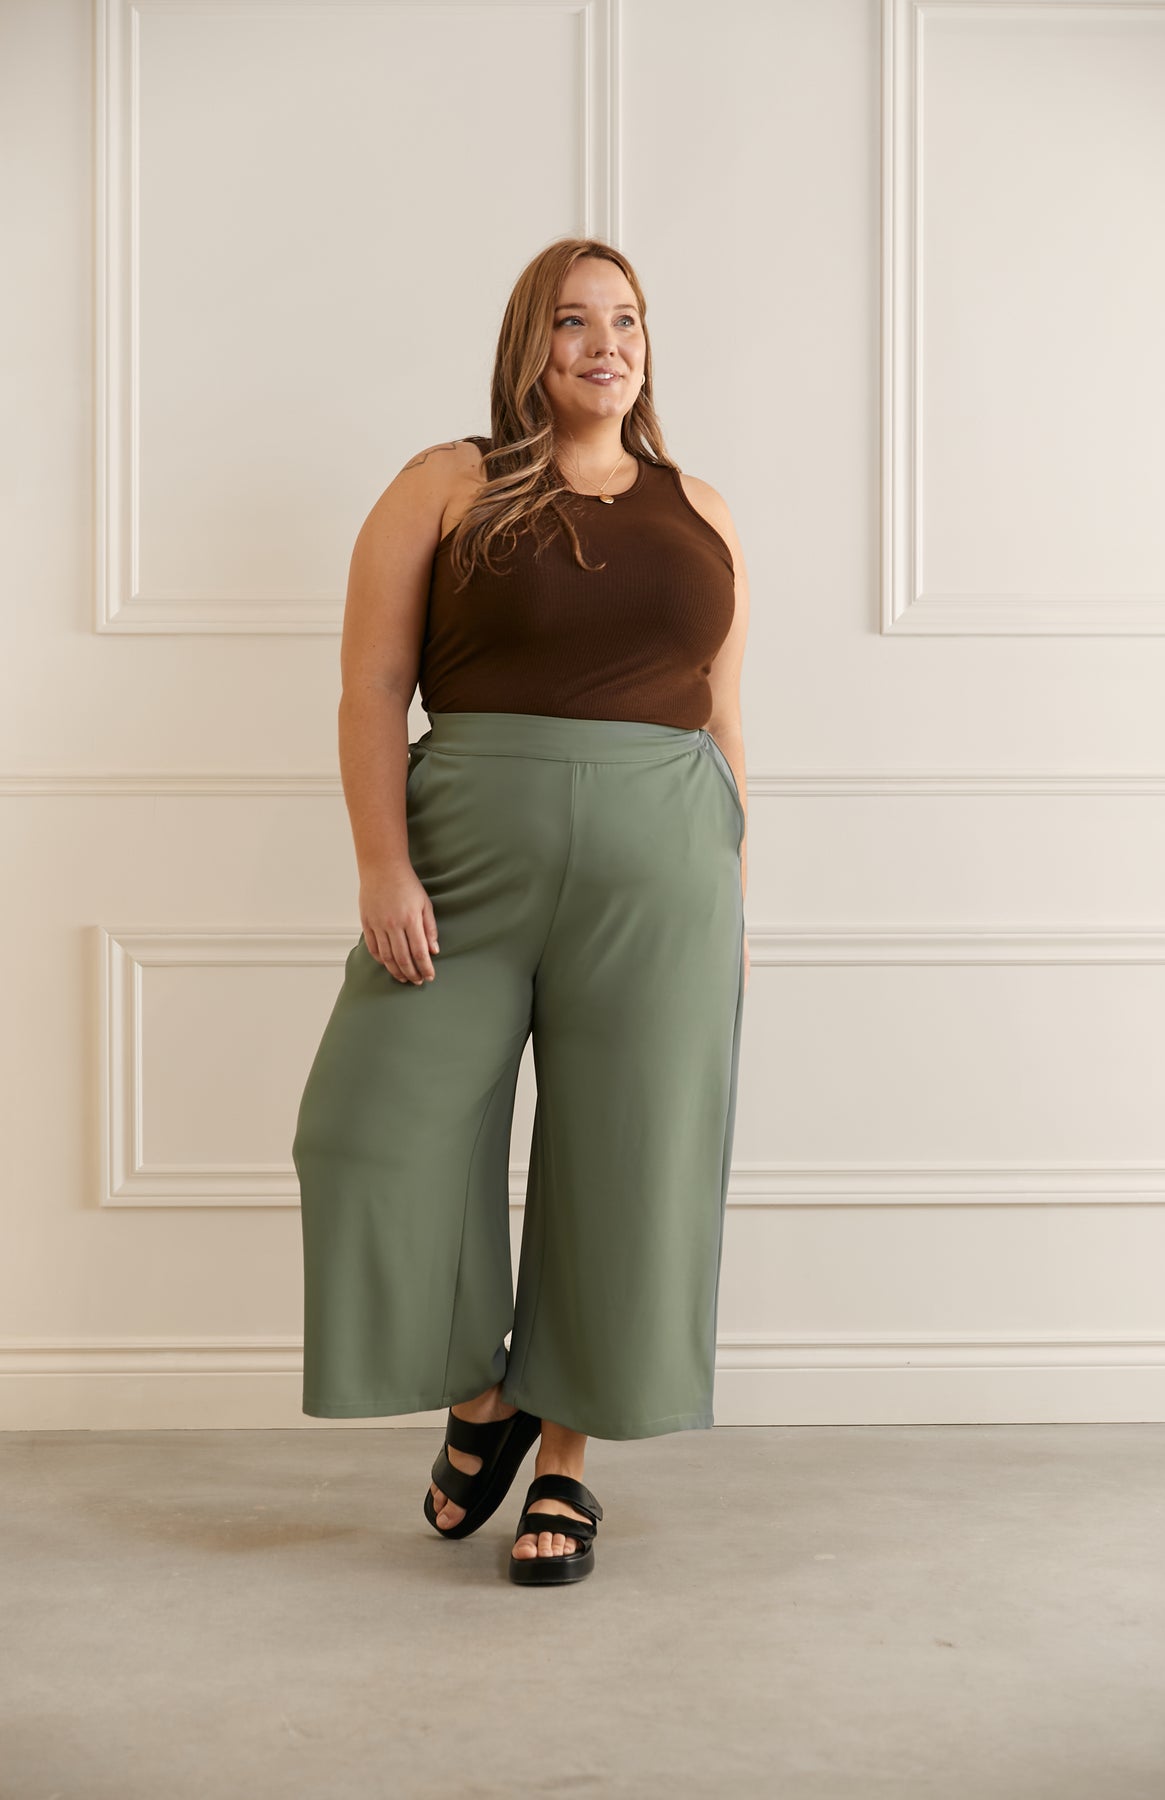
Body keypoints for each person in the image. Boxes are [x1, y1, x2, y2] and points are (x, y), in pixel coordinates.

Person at [291, 236, 750, 1586]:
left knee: (626, 1160)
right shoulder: (447, 483)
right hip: (463, 864)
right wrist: (382, 866)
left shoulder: (701, 508)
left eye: (627, 320)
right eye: (572, 321)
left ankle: (565, 1468)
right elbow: (373, 689)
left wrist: (733, 893)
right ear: (526, 344)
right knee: (362, 1131)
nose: (606, 344)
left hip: (664, 872)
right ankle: (480, 1399)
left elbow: (726, 720)